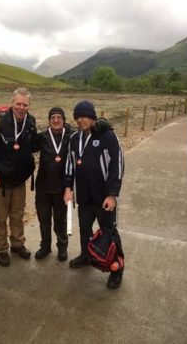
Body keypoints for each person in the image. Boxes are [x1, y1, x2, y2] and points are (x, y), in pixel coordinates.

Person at [63, 100, 126, 289]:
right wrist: (68, 188)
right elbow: (69, 164)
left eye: (85, 116)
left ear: (93, 117)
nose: (81, 120)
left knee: (109, 232)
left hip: (103, 198)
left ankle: (117, 268)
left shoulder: (106, 135)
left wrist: (112, 194)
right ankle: (86, 255)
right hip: (84, 197)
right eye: (78, 117)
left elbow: (118, 164)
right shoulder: (74, 138)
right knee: (84, 229)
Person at [0, 87, 37, 267]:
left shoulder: (31, 122)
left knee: (18, 215)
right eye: (18, 103)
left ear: (29, 105)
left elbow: (33, 145)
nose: (21, 107)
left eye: (25, 104)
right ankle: (2, 249)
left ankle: (18, 244)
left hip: (19, 180)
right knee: (0, 217)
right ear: (12, 103)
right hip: (0, 182)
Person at [33, 107, 75, 261]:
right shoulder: (42, 137)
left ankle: (62, 247)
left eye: (59, 117)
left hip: (62, 188)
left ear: (64, 120)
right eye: (53, 118)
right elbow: (27, 146)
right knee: (43, 219)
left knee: (60, 220)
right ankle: (45, 246)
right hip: (43, 186)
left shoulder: (71, 137)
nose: (56, 120)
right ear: (49, 120)